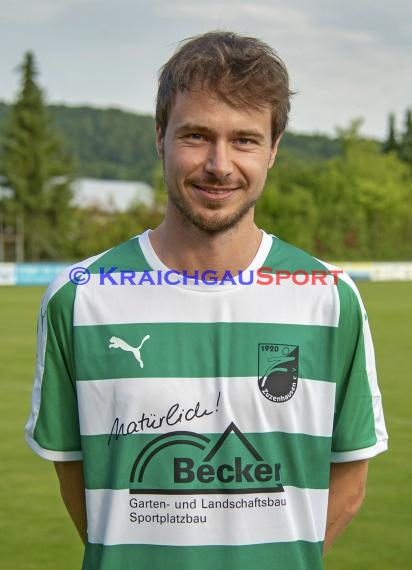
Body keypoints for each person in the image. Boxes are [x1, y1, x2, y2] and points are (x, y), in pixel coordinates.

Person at [25, 31, 388, 570]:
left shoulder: (329, 299)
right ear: (159, 138)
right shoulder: (79, 299)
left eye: (244, 140)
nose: (219, 164)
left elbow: (349, 484)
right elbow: (86, 492)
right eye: (196, 136)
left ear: (273, 150)